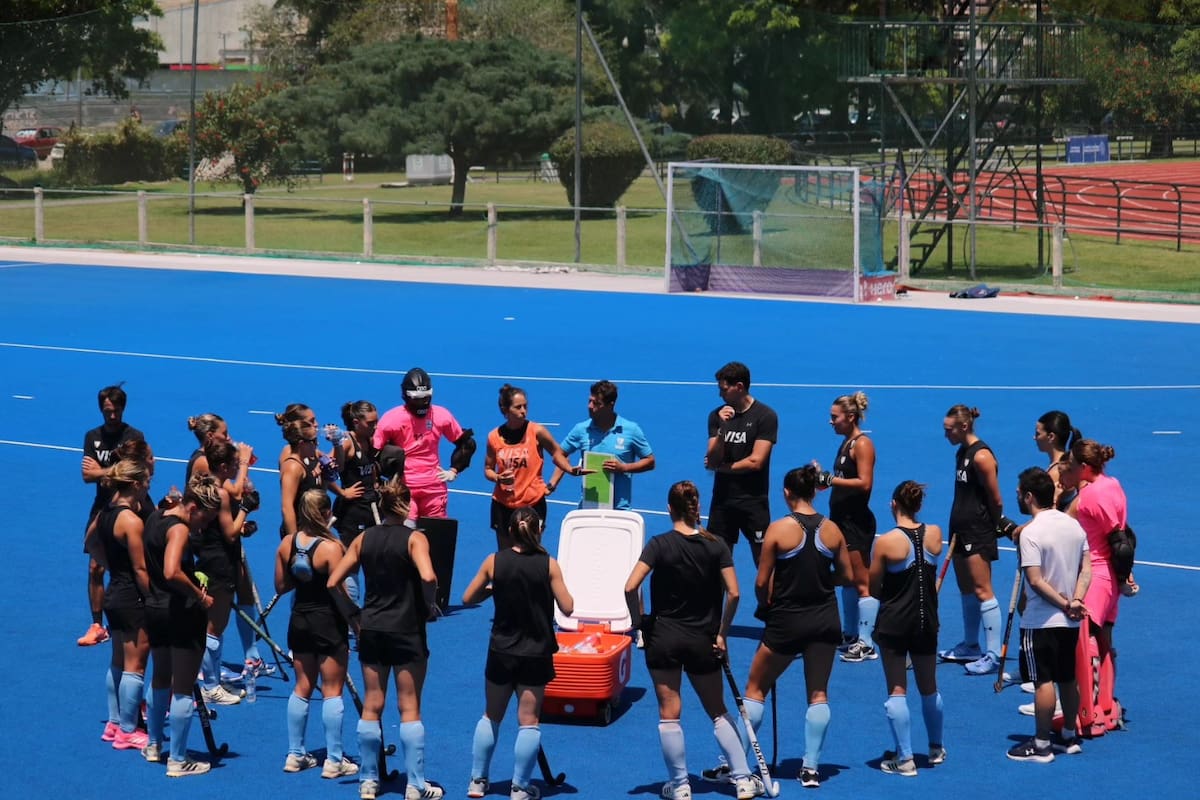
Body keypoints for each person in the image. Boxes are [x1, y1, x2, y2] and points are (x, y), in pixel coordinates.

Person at [622, 480, 763, 800]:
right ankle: (742, 780)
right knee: (717, 711)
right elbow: (736, 593)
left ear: (670, 508)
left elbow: (631, 586)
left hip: (664, 639)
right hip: (703, 640)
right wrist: (723, 633)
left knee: (669, 713)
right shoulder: (717, 546)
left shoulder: (659, 544)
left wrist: (638, 623)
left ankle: (681, 786)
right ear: (697, 509)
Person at [721, 466, 852, 790]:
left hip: (786, 620)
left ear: (787, 493)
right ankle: (810, 768)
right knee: (818, 693)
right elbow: (848, 577)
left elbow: (762, 582)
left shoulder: (778, 530)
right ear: (814, 492)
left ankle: (738, 765)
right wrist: (822, 580)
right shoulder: (833, 530)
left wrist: (766, 606)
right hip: (825, 619)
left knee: (755, 688)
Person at [327, 476, 443, 800]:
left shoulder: (363, 540)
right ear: (405, 504)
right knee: (409, 707)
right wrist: (429, 604)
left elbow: (333, 581)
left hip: (372, 629)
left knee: (372, 704)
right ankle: (416, 785)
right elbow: (428, 576)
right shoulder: (415, 539)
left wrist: (353, 615)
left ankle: (368, 781)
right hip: (407, 628)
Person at [461, 508, 575, 800]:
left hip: (501, 649)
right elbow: (568, 606)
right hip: (535, 653)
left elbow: (468, 597)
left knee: (491, 716)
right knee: (528, 720)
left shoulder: (494, 561)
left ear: (509, 531)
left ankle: (477, 780)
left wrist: (492, 588)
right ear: (540, 530)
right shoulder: (549, 565)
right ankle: (520, 787)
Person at [1007, 467, 1090, 762]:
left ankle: (1041, 744)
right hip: (1069, 622)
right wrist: (1076, 600)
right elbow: (1086, 569)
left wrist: (1064, 604)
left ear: (1029, 496)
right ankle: (1068, 736)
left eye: (1018, 492)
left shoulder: (1031, 533)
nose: (1016, 495)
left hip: (1040, 620)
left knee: (1043, 681)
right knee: (1067, 678)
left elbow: (1036, 581)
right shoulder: (1074, 526)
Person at [275, 489, 357, 778]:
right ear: (325, 514)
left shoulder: (287, 543)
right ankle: (334, 759)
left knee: (302, 686)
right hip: (327, 622)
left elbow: (281, 587)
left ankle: (295, 754)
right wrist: (356, 624)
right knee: (332, 689)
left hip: (299, 621)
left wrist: (302, 574)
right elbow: (340, 592)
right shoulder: (332, 548)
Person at [868, 481, 946, 777]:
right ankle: (936, 748)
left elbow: (874, 586)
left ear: (893, 505)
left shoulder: (887, 541)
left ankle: (905, 758)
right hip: (927, 621)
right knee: (929, 687)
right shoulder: (935, 535)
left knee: (897, 689)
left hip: (895, 622)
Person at [152, 474, 224, 777]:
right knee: (182, 688)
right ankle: (178, 760)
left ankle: (153, 744)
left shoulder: (155, 518)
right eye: (203, 519)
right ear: (192, 507)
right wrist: (198, 595)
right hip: (179, 613)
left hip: (155, 609)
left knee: (159, 680)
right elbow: (171, 571)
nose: (203, 526)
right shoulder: (180, 529)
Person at [85, 458, 152, 752]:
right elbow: (140, 569)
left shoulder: (104, 513)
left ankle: (114, 723)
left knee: (117, 662)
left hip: (114, 593)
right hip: (132, 597)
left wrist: (110, 564)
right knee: (135, 667)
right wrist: (155, 598)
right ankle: (128, 730)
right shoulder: (132, 521)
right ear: (136, 484)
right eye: (147, 481)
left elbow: (90, 544)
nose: (149, 486)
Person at [938, 405, 1009, 676]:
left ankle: (992, 655)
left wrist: (996, 524)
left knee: (982, 590)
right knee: (966, 589)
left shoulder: (981, 456)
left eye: (949, 429)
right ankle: (970, 645)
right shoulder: (961, 452)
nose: (945, 434)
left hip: (978, 531)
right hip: (960, 528)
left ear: (964, 427)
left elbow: (996, 498)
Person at [79, 384, 145, 646]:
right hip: (102, 507)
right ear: (101, 410)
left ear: (122, 408)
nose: (113, 416)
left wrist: (102, 471)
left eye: (116, 411)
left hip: (129, 507)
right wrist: (114, 470)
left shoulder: (134, 436)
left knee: (135, 563)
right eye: (108, 411)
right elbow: (86, 476)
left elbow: (133, 473)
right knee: (95, 566)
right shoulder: (92, 437)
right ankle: (97, 624)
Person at [1069, 439, 1129, 729]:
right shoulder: (1113, 484)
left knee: (1087, 641)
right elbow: (1123, 536)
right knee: (1105, 640)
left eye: (1072, 464)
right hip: (1112, 579)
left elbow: (1116, 541)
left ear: (1083, 466)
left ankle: (1088, 712)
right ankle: (1106, 707)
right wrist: (1125, 575)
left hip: (1095, 575)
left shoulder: (1090, 496)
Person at [816, 391, 879, 663]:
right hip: (840, 520)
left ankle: (866, 643)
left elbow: (864, 483)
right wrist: (819, 480)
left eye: (835, 417)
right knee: (848, 580)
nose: (831, 422)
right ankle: (851, 634)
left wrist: (830, 480)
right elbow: (838, 480)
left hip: (855, 522)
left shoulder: (862, 444)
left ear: (850, 417)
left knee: (862, 582)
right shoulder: (845, 444)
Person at [483, 384, 582, 549]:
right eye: (518, 407)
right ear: (505, 410)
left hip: (532, 504)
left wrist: (564, 474)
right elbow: (488, 469)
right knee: (506, 556)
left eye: (525, 406)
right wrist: (498, 477)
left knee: (531, 552)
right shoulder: (493, 437)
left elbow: (559, 454)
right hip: (503, 505)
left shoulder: (536, 431)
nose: (523, 411)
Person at [373, 367, 476, 520]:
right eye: (418, 398)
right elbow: (374, 452)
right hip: (403, 488)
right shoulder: (391, 420)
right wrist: (378, 481)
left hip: (434, 488)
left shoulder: (441, 415)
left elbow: (466, 444)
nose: (423, 402)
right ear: (406, 396)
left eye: (426, 397)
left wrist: (454, 471)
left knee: (435, 535)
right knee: (405, 534)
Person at [704, 362, 778, 565]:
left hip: (753, 502)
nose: (720, 395)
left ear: (739, 386)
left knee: (764, 562)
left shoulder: (765, 416)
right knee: (716, 562)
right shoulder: (716, 416)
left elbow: (756, 461)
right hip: (722, 501)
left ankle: (768, 598)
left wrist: (722, 468)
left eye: (724, 389)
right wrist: (722, 429)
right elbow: (712, 458)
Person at [551, 380, 655, 509]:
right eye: (589, 401)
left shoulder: (631, 430)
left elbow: (650, 461)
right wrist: (570, 470)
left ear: (610, 405)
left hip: (620, 510)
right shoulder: (581, 429)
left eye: (596, 403)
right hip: (588, 507)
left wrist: (624, 468)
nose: (590, 406)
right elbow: (558, 455)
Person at [330, 400, 382, 604]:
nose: (375, 426)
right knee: (352, 564)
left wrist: (376, 483)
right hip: (353, 513)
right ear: (356, 422)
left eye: (376, 421)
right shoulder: (347, 442)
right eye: (370, 423)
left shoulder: (369, 440)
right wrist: (342, 492)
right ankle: (351, 618)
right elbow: (326, 470)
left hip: (371, 508)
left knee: (375, 561)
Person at [277, 404, 327, 538]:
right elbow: (287, 508)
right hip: (301, 531)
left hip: (314, 526)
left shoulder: (310, 453)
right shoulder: (292, 465)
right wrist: (295, 543)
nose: (316, 444)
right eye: (313, 441)